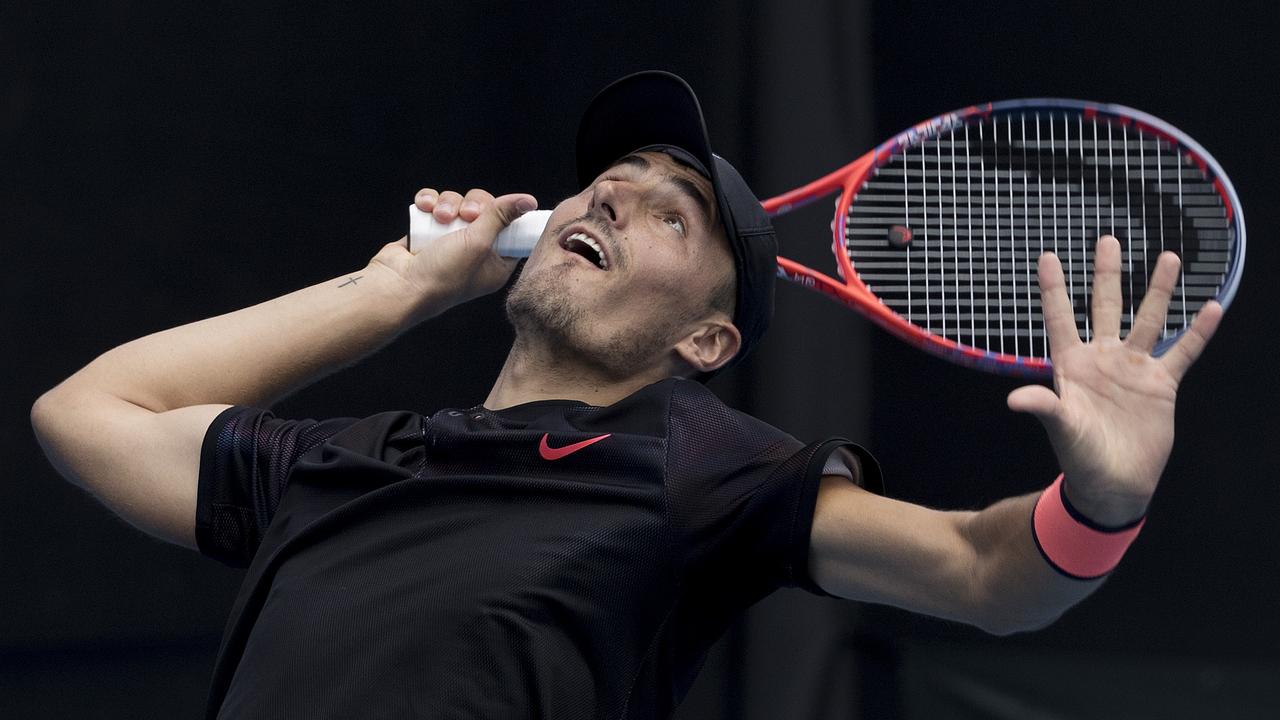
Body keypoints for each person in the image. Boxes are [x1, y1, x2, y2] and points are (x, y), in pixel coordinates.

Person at [31, 71, 1220, 719]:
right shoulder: (346, 459)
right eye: (609, 180)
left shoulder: (695, 464)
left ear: (706, 338)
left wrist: (1100, 499)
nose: (607, 198)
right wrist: (392, 291)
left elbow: (980, 573)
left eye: (670, 212)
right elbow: (86, 416)